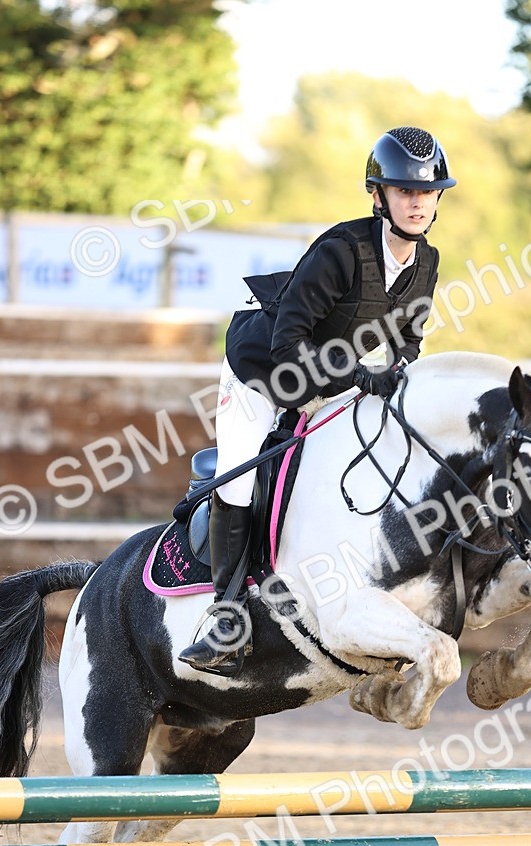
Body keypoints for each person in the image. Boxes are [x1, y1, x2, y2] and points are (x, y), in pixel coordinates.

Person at [179, 126, 456, 674]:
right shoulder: (341, 252)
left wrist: (394, 375)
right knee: (238, 478)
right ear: (378, 195)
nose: (417, 202)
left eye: (427, 191)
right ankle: (225, 617)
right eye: (405, 191)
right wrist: (358, 373)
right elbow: (288, 343)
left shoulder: (427, 262)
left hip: (331, 381)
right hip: (262, 376)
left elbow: (408, 342)